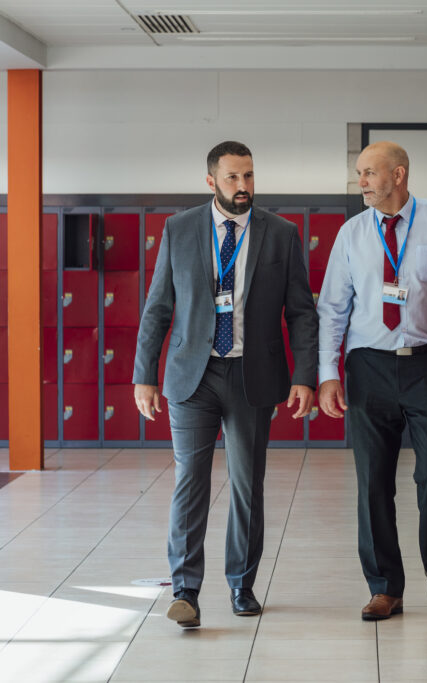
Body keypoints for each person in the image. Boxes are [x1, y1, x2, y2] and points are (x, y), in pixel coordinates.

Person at [133, 141, 318, 628]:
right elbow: (157, 308)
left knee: (246, 485)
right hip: (192, 375)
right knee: (189, 483)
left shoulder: (281, 234)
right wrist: (143, 376)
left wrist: (304, 377)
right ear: (211, 180)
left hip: (251, 375)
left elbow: (301, 312)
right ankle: (186, 591)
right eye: (233, 178)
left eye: (250, 176)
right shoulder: (179, 229)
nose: (243, 187)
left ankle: (242, 584)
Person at [317, 141, 427, 621]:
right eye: (359, 174)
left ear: (398, 175)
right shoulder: (352, 234)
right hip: (368, 367)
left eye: (370, 173)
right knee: (373, 482)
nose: (362, 183)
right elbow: (332, 309)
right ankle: (384, 587)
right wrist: (328, 374)